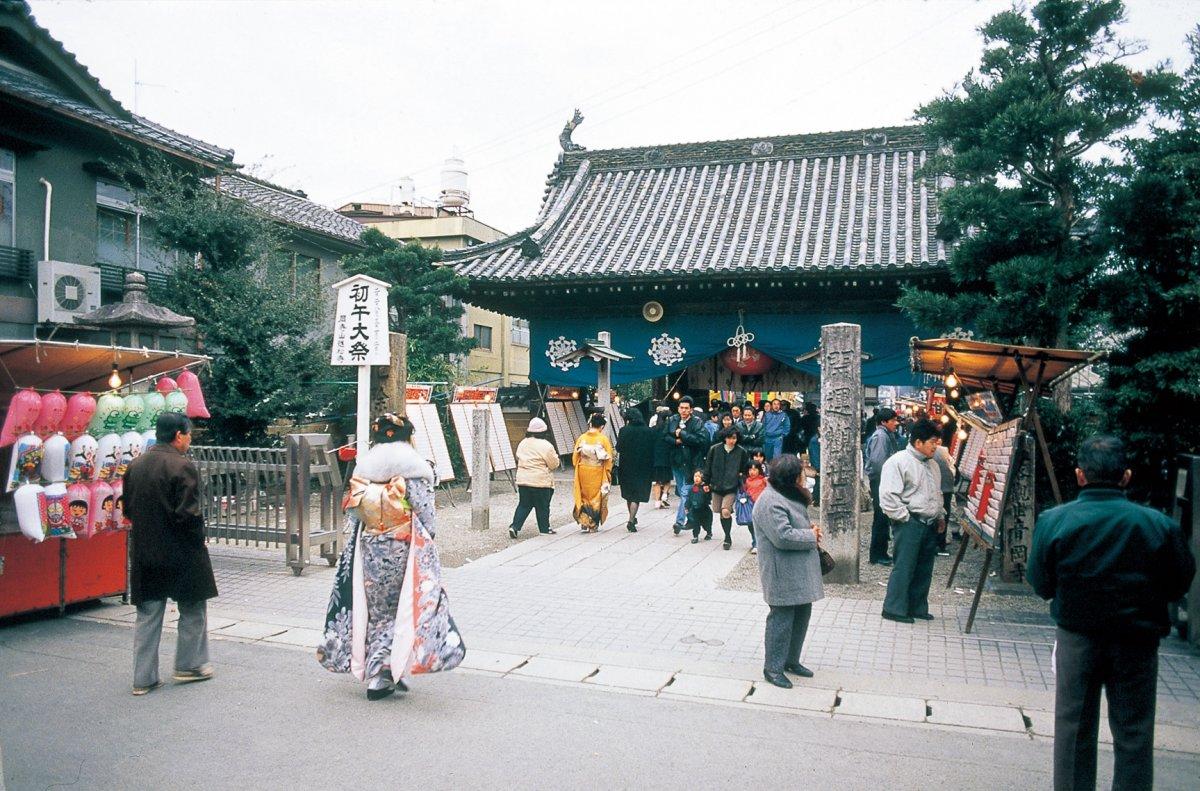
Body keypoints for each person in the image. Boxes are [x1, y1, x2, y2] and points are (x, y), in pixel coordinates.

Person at [1027, 436, 1194, 791]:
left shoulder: (1054, 520)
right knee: (1134, 731)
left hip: (1077, 636)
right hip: (1138, 639)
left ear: (1080, 475)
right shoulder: (1158, 525)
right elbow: (1179, 580)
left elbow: (1040, 582)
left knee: (1073, 727)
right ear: (1126, 476)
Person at [318, 413, 463, 700]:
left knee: (374, 609)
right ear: (408, 436)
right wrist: (428, 539)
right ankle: (382, 674)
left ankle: (389, 669)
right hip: (402, 546)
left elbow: (352, 511)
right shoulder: (414, 469)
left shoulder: (365, 468)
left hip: (369, 545)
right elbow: (424, 513)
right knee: (402, 609)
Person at [124, 412, 217, 696]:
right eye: (188, 434)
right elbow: (188, 515)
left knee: (148, 613)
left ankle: (143, 678)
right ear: (179, 435)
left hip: (144, 549)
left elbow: (128, 509)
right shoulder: (182, 466)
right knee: (192, 606)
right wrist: (199, 542)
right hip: (180, 550)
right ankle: (189, 664)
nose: (189, 440)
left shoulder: (135, 465)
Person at [753, 454, 824, 689]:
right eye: (802, 473)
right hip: (780, 570)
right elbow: (782, 536)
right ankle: (772, 668)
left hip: (798, 568)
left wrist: (809, 528)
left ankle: (791, 660)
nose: (805, 477)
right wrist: (810, 536)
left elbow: (794, 526)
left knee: (802, 613)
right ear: (792, 477)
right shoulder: (770, 501)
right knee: (781, 618)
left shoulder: (785, 494)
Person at [878, 419, 945, 624]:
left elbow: (936, 492)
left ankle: (917, 606)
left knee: (924, 567)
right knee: (904, 566)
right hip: (910, 521)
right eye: (932, 442)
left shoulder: (933, 464)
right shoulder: (898, 461)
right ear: (918, 442)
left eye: (937, 441)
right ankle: (894, 608)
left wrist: (940, 515)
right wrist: (905, 518)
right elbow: (888, 496)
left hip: (930, 522)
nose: (936, 446)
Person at [508, 417, 561, 538]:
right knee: (542, 506)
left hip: (523, 480)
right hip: (540, 481)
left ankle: (514, 526)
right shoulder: (546, 445)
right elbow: (554, 463)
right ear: (544, 431)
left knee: (524, 505)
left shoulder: (523, 443)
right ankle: (544, 528)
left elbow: (518, 457)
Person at [662, 396, 708, 532]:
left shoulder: (697, 422)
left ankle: (679, 521)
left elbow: (700, 440)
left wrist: (682, 434)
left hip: (692, 461)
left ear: (691, 410)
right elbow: (665, 436)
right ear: (678, 408)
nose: (683, 410)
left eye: (686, 408)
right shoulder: (672, 420)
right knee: (683, 492)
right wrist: (675, 441)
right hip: (677, 460)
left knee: (685, 491)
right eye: (681, 408)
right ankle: (691, 519)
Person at [864, 407, 901, 566]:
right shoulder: (881, 436)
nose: (896, 423)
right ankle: (877, 555)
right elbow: (878, 463)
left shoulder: (886, 435)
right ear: (884, 422)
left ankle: (880, 553)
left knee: (883, 516)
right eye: (893, 420)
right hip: (880, 480)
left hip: (882, 480)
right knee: (881, 516)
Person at [705, 427, 749, 550]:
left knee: (725, 511)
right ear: (725, 437)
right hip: (716, 485)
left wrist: (741, 478)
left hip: (732, 486)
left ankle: (727, 537)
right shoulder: (714, 449)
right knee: (718, 510)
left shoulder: (741, 452)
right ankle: (726, 532)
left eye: (734, 438)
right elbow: (708, 467)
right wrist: (705, 483)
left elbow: (745, 469)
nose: (731, 440)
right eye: (729, 437)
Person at [615, 409, 656, 532]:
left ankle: (632, 516)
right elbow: (652, 448)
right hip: (643, 466)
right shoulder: (648, 431)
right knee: (637, 495)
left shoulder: (624, 431)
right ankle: (631, 520)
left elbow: (618, 448)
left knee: (629, 493)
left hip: (626, 465)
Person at [572, 413, 614, 533]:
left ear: (590, 424)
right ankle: (592, 523)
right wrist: (608, 471)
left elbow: (575, 457)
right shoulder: (603, 439)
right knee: (595, 496)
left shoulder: (582, 438)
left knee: (584, 494)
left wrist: (578, 466)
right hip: (597, 470)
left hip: (583, 469)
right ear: (601, 426)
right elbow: (609, 457)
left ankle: (584, 520)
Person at [933, 421, 958, 553]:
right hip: (946, 488)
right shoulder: (943, 451)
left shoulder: (929, 450)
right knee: (944, 515)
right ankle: (940, 544)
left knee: (936, 516)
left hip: (936, 489)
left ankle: (935, 543)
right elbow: (951, 470)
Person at [738, 460, 768, 553]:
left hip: (761, 506)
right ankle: (755, 542)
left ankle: (760, 543)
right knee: (751, 525)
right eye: (750, 469)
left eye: (755, 469)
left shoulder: (764, 480)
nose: (752, 472)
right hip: (750, 506)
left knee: (761, 525)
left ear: (759, 470)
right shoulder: (746, 481)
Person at [650, 404, 674, 509]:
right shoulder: (670, 430)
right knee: (668, 479)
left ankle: (657, 501)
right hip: (667, 456)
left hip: (656, 457)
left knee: (657, 481)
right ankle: (664, 495)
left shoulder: (654, 429)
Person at [683, 468, 712, 543]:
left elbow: (709, 498)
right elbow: (689, 498)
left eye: (699, 476)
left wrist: (708, 492)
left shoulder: (705, 488)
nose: (696, 478)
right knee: (696, 524)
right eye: (695, 476)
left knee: (706, 524)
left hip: (705, 510)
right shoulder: (692, 488)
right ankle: (695, 536)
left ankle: (709, 532)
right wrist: (687, 507)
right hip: (695, 510)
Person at [807, 425, 821, 507]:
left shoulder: (818, 439)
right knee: (818, 483)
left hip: (819, 465)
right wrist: (818, 468)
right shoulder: (814, 440)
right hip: (818, 466)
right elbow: (815, 456)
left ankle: (816, 499)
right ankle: (815, 499)